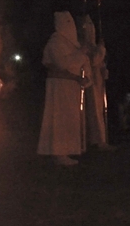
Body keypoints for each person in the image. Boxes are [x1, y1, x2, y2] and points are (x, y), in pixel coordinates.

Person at [37, 11, 91, 166]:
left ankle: (67, 150)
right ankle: (58, 152)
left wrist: (86, 76)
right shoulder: (55, 42)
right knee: (59, 118)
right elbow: (62, 64)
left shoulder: (71, 43)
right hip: (59, 86)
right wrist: (81, 54)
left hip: (70, 87)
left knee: (69, 118)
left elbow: (82, 62)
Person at [79, 14, 115, 150]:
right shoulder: (84, 46)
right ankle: (98, 140)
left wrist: (104, 70)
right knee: (94, 110)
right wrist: (101, 50)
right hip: (91, 81)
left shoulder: (93, 45)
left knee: (99, 110)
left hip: (98, 80)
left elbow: (100, 63)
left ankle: (99, 139)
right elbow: (93, 61)